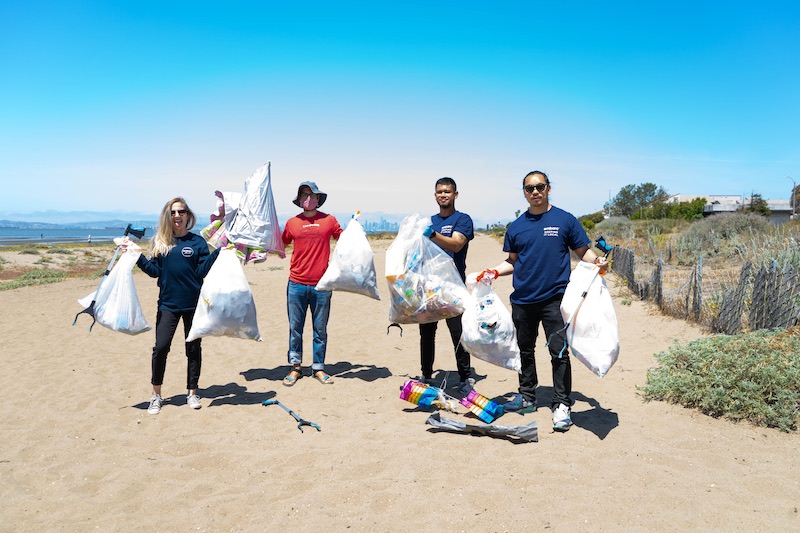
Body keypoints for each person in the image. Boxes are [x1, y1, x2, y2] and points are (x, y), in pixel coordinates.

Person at [480, 171, 607, 431]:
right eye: (529, 188)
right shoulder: (516, 226)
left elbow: (582, 252)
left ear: (549, 188)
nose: (535, 192)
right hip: (523, 300)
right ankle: (527, 396)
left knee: (558, 352)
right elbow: (512, 261)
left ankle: (562, 404)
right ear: (524, 192)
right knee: (523, 351)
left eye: (539, 187)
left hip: (555, 299)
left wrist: (598, 263)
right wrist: (493, 272)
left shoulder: (565, 220)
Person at [125, 197, 220, 415]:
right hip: (168, 304)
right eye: (173, 212)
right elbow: (154, 271)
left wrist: (218, 252)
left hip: (193, 305)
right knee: (160, 348)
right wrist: (134, 255)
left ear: (188, 215)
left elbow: (201, 271)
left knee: (193, 349)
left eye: (181, 212)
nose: (177, 216)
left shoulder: (197, 242)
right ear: (167, 216)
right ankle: (156, 395)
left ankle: (192, 392)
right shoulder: (161, 242)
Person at [281, 181, 343, 386]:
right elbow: (281, 245)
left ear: (318, 198)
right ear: (299, 200)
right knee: (295, 328)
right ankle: (295, 367)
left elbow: (344, 241)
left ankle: (318, 367)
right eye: (304, 195)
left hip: (322, 286)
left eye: (312, 194)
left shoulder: (328, 220)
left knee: (320, 329)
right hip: (296, 284)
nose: (308, 198)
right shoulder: (292, 223)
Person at [419, 177, 475, 397]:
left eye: (447, 192)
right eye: (440, 192)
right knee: (426, 333)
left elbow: (456, 243)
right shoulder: (428, 221)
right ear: (435, 195)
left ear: (455, 195)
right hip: (430, 288)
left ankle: (464, 376)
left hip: (453, 287)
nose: (443, 195)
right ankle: (426, 374)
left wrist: (431, 234)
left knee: (458, 334)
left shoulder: (463, 219)